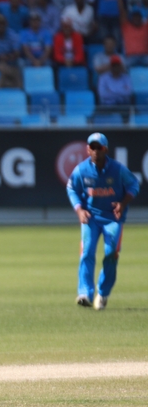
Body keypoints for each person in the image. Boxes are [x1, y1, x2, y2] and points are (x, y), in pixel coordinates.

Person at [67, 133, 140, 310]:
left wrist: (123, 203)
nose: (95, 151)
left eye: (99, 147)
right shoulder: (81, 170)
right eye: (92, 147)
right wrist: (79, 209)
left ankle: (103, 293)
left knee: (111, 254)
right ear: (87, 149)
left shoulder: (117, 169)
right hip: (90, 217)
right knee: (87, 252)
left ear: (105, 149)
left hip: (112, 219)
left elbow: (134, 185)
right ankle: (84, 293)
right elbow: (72, 189)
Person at [117, 0, 148, 67]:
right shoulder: (126, 27)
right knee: (120, 65)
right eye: (135, 17)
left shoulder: (145, 26)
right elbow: (121, 11)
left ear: (141, 18)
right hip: (131, 57)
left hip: (144, 56)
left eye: (138, 17)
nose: (136, 19)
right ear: (131, 18)